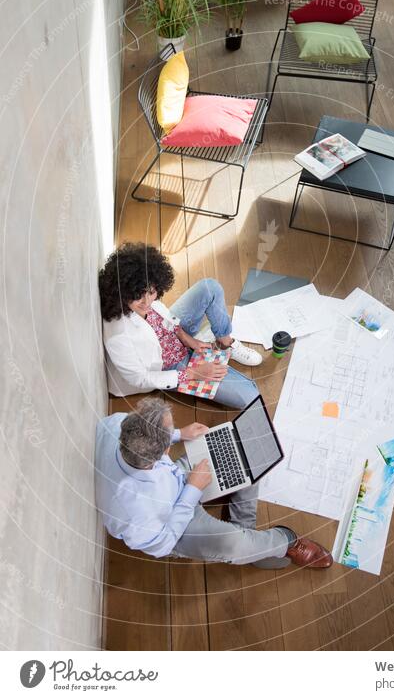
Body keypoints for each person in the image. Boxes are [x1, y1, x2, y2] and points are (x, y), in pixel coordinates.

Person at [95, 397, 332, 568]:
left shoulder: (117, 425)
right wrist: (192, 490)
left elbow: (149, 439)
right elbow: (162, 545)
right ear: (162, 452)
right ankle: (285, 540)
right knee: (232, 543)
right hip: (173, 524)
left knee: (242, 452)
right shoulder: (134, 514)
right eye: (170, 438)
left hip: (176, 480)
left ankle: (250, 540)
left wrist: (179, 434)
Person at [99, 243, 261, 409]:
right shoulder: (118, 335)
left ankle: (224, 343)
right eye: (138, 296)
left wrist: (187, 339)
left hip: (178, 335)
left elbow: (165, 318)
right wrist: (193, 373)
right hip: (173, 366)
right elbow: (139, 378)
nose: (147, 301)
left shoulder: (141, 298)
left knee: (209, 288)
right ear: (122, 292)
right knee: (252, 397)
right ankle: (206, 349)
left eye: (152, 292)